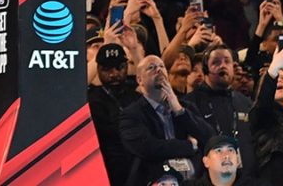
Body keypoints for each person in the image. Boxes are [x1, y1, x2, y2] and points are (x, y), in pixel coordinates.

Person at [119, 55, 215, 185]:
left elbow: (210, 138)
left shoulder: (185, 107)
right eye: (151, 67)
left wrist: (180, 111)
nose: (158, 70)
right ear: (139, 79)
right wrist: (189, 146)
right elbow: (148, 148)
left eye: (161, 66)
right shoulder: (131, 114)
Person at [183, 44, 258, 181]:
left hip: (245, 179)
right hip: (206, 179)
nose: (222, 66)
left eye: (227, 61)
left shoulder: (245, 102)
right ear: (206, 70)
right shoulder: (190, 102)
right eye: (216, 62)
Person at [249, 43, 283, 184]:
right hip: (273, 175)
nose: (279, 79)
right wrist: (272, 70)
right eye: (276, 78)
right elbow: (263, 103)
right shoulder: (263, 114)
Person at [88, 43, 141, 185]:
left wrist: (134, 49)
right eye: (107, 69)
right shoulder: (90, 100)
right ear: (98, 69)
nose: (114, 74)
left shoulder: (137, 97)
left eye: (119, 67)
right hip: (103, 169)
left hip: (138, 170)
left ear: (127, 66)